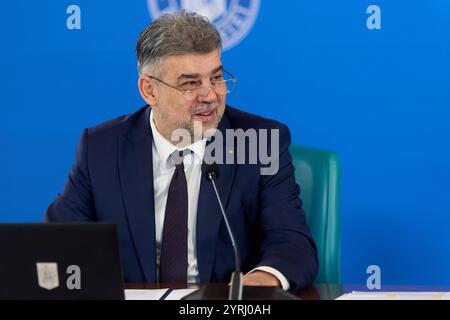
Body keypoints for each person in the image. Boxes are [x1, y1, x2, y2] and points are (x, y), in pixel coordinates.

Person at [44, 10, 318, 292]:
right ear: (149, 90)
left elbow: (292, 244)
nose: (210, 95)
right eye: (191, 83)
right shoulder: (101, 148)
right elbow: (60, 243)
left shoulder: (260, 142)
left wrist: (254, 285)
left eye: (216, 78)